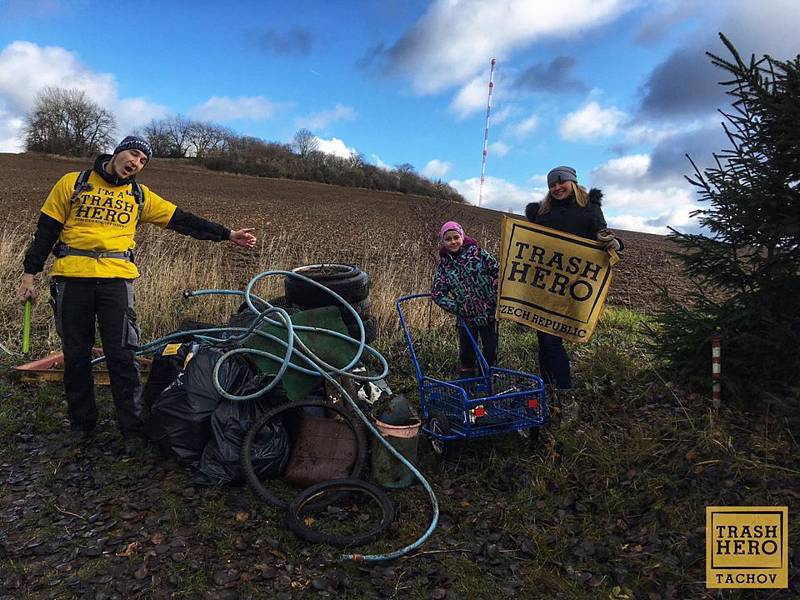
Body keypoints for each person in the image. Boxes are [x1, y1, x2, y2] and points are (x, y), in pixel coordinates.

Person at [17, 135, 257, 454]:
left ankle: (131, 429)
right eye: (133, 154)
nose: (136, 163)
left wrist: (228, 235)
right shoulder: (72, 183)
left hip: (116, 282)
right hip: (72, 279)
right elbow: (45, 231)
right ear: (118, 152)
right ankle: (82, 426)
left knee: (123, 357)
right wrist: (28, 275)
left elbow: (182, 220)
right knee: (76, 357)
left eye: (143, 161)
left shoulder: (138, 195)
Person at [525, 165, 622, 405]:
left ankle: (565, 397)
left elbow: (602, 237)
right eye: (552, 185)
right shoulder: (542, 213)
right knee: (545, 339)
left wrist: (615, 243)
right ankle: (547, 390)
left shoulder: (590, 209)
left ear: (573, 183)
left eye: (561, 183)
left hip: (573, 287)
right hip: (544, 286)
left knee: (551, 340)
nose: (557, 188)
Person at [431, 221, 500, 378]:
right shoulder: (444, 266)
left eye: (456, 237)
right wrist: (459, 307)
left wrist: (495, 297)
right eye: (448, 239)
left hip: (489, 313)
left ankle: (488, 379)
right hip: (466, 318)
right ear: (443, 241)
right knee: (467, 352)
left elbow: (498, 272)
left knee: (490, 349)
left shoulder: (479, 254)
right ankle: (468, 383)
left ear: (462, 236)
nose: (453, 241)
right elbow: (437, 294)